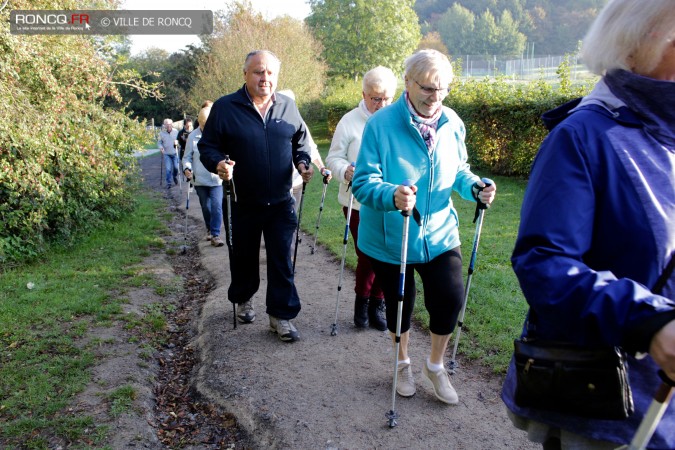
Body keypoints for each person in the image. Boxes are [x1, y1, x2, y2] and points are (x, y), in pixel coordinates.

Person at [501, 0, 675, 448]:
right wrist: (650, 322)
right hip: (612, 409)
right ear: (640, 43)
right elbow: (544, 264)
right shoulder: (582, 136)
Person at [352, 49, 496, 404]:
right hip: (391, 235)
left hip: (439, 233)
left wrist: (475, 187)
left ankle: (435, 365)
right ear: (408, 83)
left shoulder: (452, 122)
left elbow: (458, 171)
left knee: (449, 298)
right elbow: (362, 182)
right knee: (401, 304)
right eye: (428, 89)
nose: (436, 98)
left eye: (443, 89)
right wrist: (391, 194)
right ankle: (402, 362)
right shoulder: (380, 125)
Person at [198, 50, 314, 343]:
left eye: (270, 73)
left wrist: (303, 162)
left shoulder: (287, 106)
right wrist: (218, 164)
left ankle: (281, 316)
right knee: (243, 257)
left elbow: (300, 142)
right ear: (246, 74)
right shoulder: (225, 107)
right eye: (258, 72)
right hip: (241, 201)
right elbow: (207, 147)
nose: (265, 78)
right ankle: (243, 298)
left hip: (280, 201)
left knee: (281, 260)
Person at [326, 66, 397, 331]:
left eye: (386, 98)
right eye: (375, 98)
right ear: (364, 94)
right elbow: (333, 157)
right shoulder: (350, 121)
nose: (381, 104)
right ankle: (362, 301)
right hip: (357, 201)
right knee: (367, 252)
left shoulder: (396, 121)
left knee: (387, 253)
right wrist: (346, 170)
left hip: (390, 200)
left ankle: (376, 303)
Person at [276, 90, 331, 213]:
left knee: (291, 219)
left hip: (296, 181)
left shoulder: (299, 123)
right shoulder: (271, 123)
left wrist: (321, 168)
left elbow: (310, 148)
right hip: (277, 183)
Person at [182, 104, 224, 247]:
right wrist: (187, 168)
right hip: (199, 179)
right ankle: (209, 228)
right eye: (203, 124)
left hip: (216, 178)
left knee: (217, 206)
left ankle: (215, 234)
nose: (206, 127)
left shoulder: (219, 134)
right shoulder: (193, 136)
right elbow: (186, 157)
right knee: (206, 207)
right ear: (199, 122)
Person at [158, 118, 179, 188]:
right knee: (168, 169)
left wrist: (177, 143)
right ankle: (169, 183)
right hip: (167, 154)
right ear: (164, 125)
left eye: (170, 124)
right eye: (167, 124)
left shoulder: (176, 132)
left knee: (176, 168)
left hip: (175, 153)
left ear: (172, 124)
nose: (168, 126)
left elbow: (180, 141)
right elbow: (159, 142)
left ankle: (174, 176)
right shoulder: (161, 133)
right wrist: (161, 147)